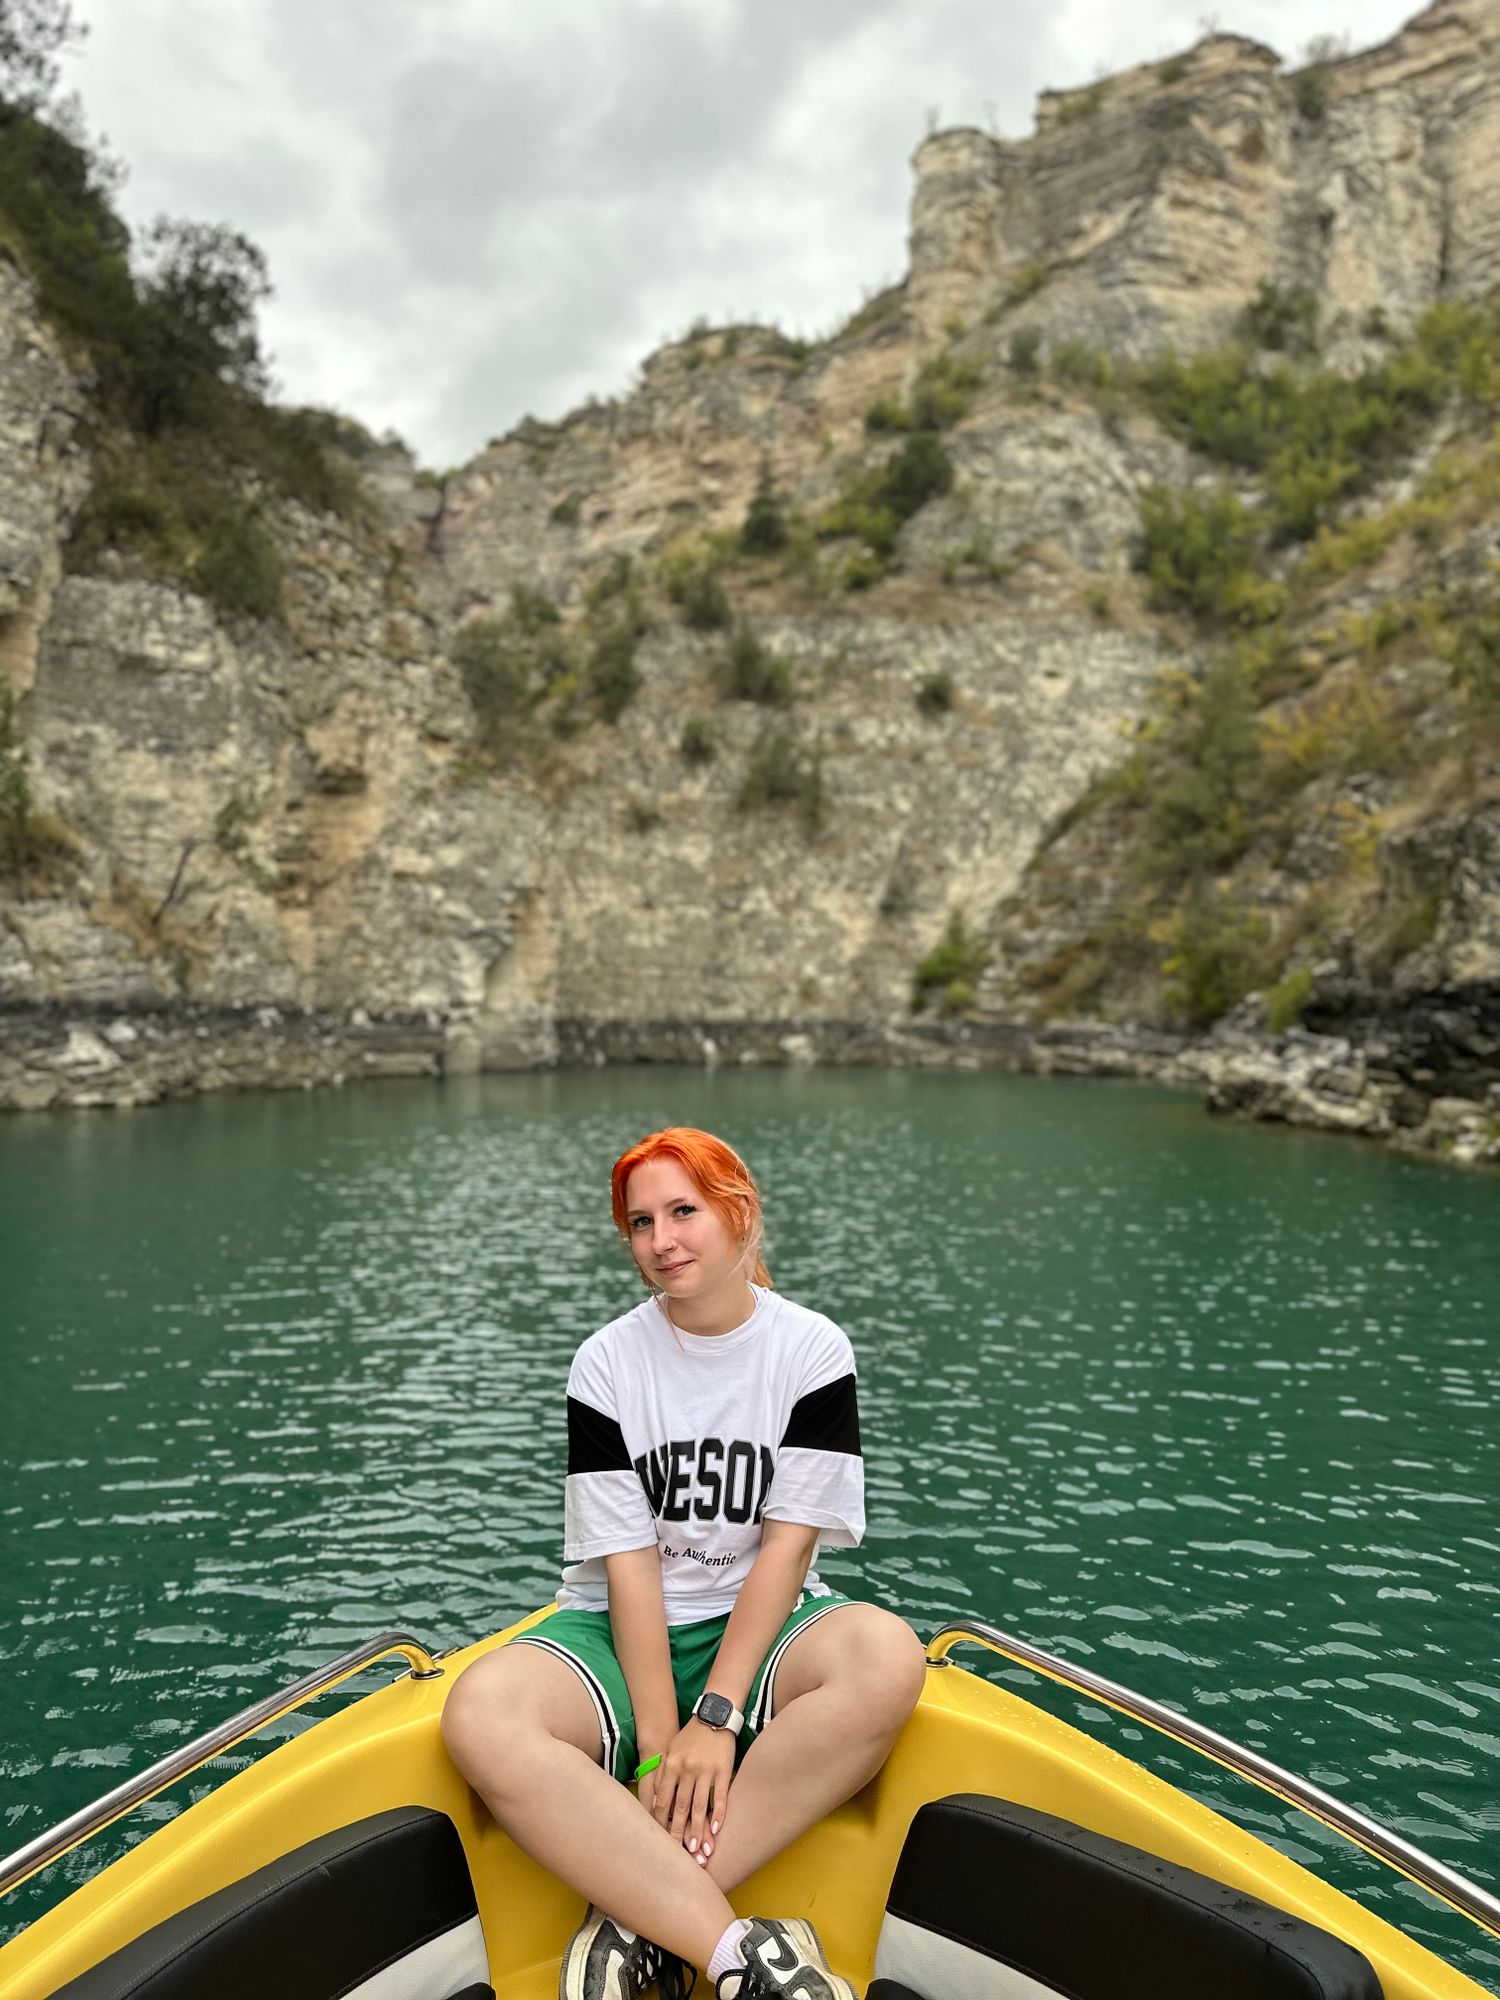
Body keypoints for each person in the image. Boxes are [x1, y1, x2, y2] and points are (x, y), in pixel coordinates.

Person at [441, 1125, 928, 2000]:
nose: (661, 1240)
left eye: (683, 1212)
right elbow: (630, 1569)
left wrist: (718, 1716)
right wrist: (661, 1753)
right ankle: (738, 1953)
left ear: (739, 1211)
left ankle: (635, 1921)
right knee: (481, 1713)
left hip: (763, 1624)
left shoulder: (811, 1350)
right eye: (640, 1223)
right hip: (617, 1631)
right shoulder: (606, 1363)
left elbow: (787, 1549)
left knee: (888, 1657)